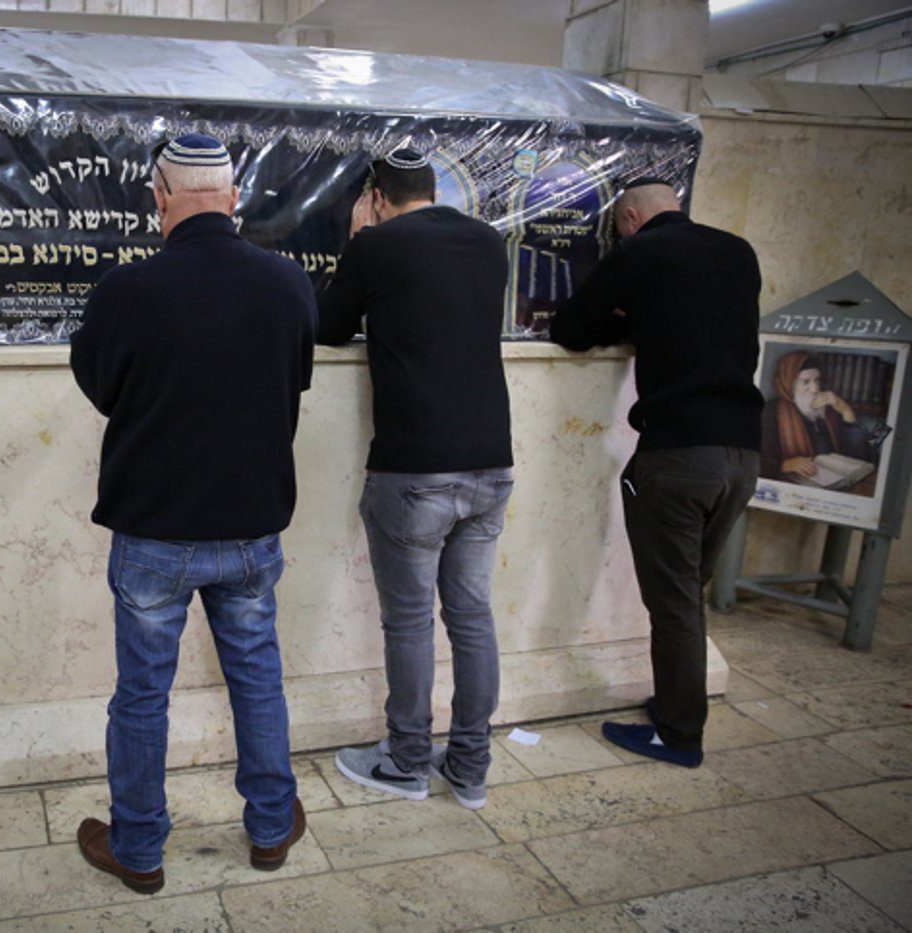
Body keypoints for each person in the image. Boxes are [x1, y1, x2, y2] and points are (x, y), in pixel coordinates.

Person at [69, 132, 316, 894]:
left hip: (155, 531)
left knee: (142, 694)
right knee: (258, 678)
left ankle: (139, 848)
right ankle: (271, 828)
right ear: (234, 198)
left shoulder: (126, 290)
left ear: (159, 199)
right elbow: (292, 380)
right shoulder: (289, 284)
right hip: (251, 527)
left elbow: (100, 385)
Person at [318, 147, 513, 809]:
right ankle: (470, 767)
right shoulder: (488, 242)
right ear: (433, 189)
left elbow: (327, 326)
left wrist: (356, 242)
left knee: (409, 623)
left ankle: (405, 762)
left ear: (376, 197)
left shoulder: (376, 246)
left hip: (415, 468)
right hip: (492, 463)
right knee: (472, 618)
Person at [551, 177, 762, 768]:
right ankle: (677, 701)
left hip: (678, 456)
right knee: (688, 594)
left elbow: (570, 329)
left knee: (673, 604)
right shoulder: (738, 251)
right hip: (744, 455)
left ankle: (678, 736)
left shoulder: (639, 251)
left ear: (630, 219)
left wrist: (626, 316)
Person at [761, 348, 873, 481]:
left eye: (817, 380)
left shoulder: (829, 409)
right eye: (805, 382)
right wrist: (783, 465)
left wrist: (846, 411)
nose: (815, 389)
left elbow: (858, 458)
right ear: (788, 383)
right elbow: (752, 459)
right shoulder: (769, 412)